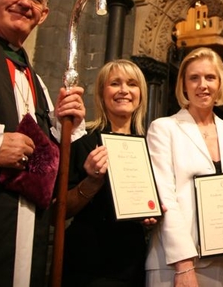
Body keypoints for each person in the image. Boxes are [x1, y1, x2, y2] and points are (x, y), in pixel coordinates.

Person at [0, 0, 86, 286]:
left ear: (43, 15)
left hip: (27, 241)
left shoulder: (37, 82)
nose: (25, 2)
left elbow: (42, 168)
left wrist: (62, 127)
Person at [146, 47, 223, 287]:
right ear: (183, 85)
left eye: (210, 77)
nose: (202, 85)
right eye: (194, 78)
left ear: (220, 83)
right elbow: (166, 198)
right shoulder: (164, 129)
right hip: (175, 264)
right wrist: (183, 265)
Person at [62, 59, 157, 286]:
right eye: (115, 83)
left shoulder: (151, 147)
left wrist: (153, 216)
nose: (124, 90)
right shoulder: (83, 142)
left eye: (132, 84)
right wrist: (91, 183)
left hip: (131, 262)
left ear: (141, 94)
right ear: (102, 93)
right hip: (88, 262)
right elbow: (59, 211)